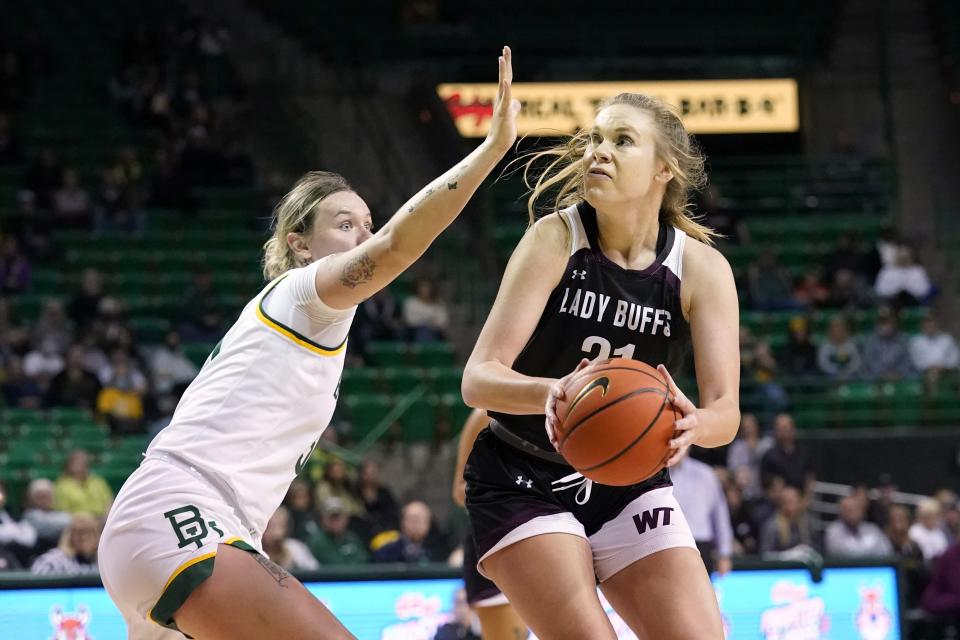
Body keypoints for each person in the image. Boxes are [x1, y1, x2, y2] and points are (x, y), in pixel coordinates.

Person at [97, 47, 520, 640]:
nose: (364, 235)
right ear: (299, 244)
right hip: (182, 515)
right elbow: (399, 247)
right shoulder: (302, 293)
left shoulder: (309, 320)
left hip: (185, 527)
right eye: (345, 224)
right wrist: (491, 150)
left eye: (367, 223)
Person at [461, 92, 739, 639]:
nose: (598, 153)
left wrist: (694, 424)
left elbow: (725, 411)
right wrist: (555, 394)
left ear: (665, 168)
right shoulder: (554, 238)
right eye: (594, 140)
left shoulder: (701, 269)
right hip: (522, 474)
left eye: (621, 141)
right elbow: (478, 378)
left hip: (630, 479)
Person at [452, 408, 528, 640]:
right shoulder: (484, 415)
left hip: (560, 536)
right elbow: (458, 490)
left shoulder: (566, 403)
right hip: (498, 538)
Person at [671, 452, 734, 575]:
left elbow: (719, 514)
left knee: (701, 593)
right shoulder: (655, 474)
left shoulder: (705, 474)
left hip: (701, 544)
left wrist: (724, 553)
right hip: (669, 544)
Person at [372, 500, 445, 564]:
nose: (416, 524)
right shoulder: (387, 551)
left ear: (429, 523)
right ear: (403, 522)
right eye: (413, 519)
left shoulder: (439, 550)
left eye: (421, 519)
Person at [823, 495, 893, 558]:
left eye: (855, 509)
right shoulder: (833, 531)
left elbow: (886, 552)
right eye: (848, 510)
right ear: (841, 512)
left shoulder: (873, 529)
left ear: (862, 511)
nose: (852, 514)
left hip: (873, 570)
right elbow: (843, 554)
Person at [306, 497, 369, 566]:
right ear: (323, 519)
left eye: (338, 517)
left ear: (346, 518)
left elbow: (364, 562)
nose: (335, 521)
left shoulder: (353, 539)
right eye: (332, 517)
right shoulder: (315, 542)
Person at [31, 513, 100, 575]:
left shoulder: (102, 562)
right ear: (69, 536)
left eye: (89, 532)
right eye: (79, 532)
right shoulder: (53, 561)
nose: (84, 537)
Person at [54, 450, 114, 517]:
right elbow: (63, 512)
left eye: (82, 461)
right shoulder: (62, 485)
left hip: (102, 519)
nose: (79, 463)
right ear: (69, 465)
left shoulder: (99, 481)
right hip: (78, 521)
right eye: (76, 461)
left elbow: (109, 501)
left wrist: (107, 517)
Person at [262, 506, 320, 573]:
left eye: (281, 526)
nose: (276, 533)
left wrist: (294, 565)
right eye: (270, 527)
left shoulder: (294, 548)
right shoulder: (254, 551)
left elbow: (315, 572)